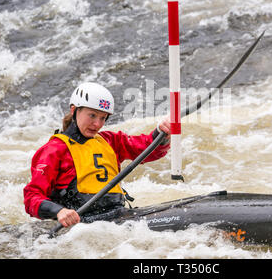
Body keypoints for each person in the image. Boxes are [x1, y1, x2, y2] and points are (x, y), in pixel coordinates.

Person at [24, 82, 171, 228]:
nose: (97, 124)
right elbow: (32, 197)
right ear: (74, 110)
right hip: (82, 224)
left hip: (117, 215)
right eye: (92, 115)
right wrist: (59, 211)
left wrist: (162, 133)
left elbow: (146, 147)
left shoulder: (110, 141)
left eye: (103, 118)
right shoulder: (53, 150)